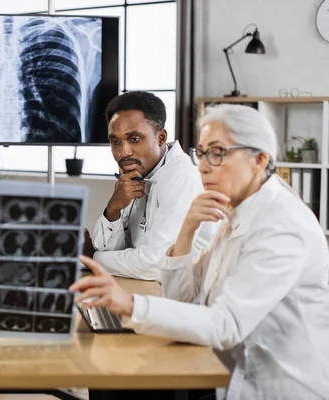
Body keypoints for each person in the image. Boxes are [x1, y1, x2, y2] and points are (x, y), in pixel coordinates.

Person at [71, 104, 329, 400]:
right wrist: (187, 231)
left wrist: (130, 304)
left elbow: (225, 325)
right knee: (114, 377)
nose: (204, 166)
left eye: (218, 153)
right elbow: (185, 299)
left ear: (259, 160)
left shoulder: (281, 227)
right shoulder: (235, 209)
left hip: (274, 389)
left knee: (120, 379)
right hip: (231, 374)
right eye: (202, 153)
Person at [86, 91, 215, 280]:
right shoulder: (135, 174)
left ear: (161, 137)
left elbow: (158, 264)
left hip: (185, 298)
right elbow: (115, 250)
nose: (124, 152)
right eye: (115, 141)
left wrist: (92, 259)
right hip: (144, 289)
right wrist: (113, 209)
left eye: (135, 139)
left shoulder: (181, 177)